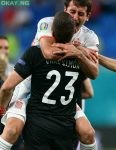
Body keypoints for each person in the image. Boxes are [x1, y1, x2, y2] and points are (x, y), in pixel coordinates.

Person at [0, 0, 101, 150]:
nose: (75, 17)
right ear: (65, 9)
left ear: (88, 16)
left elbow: (94, 73)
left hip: (62, 93)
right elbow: (47, 53)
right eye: (72, 11)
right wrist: (78, 51)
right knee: (12, 130)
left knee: (87, 133)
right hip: (30, 82)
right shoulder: (48, 23)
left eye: (81, 14)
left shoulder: (90, 37)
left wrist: (79, 55)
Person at [0, 36, 24, 150]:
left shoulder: (15, 71)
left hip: (7, 119)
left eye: (6, 47)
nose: (4, 50)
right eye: (0, 47)